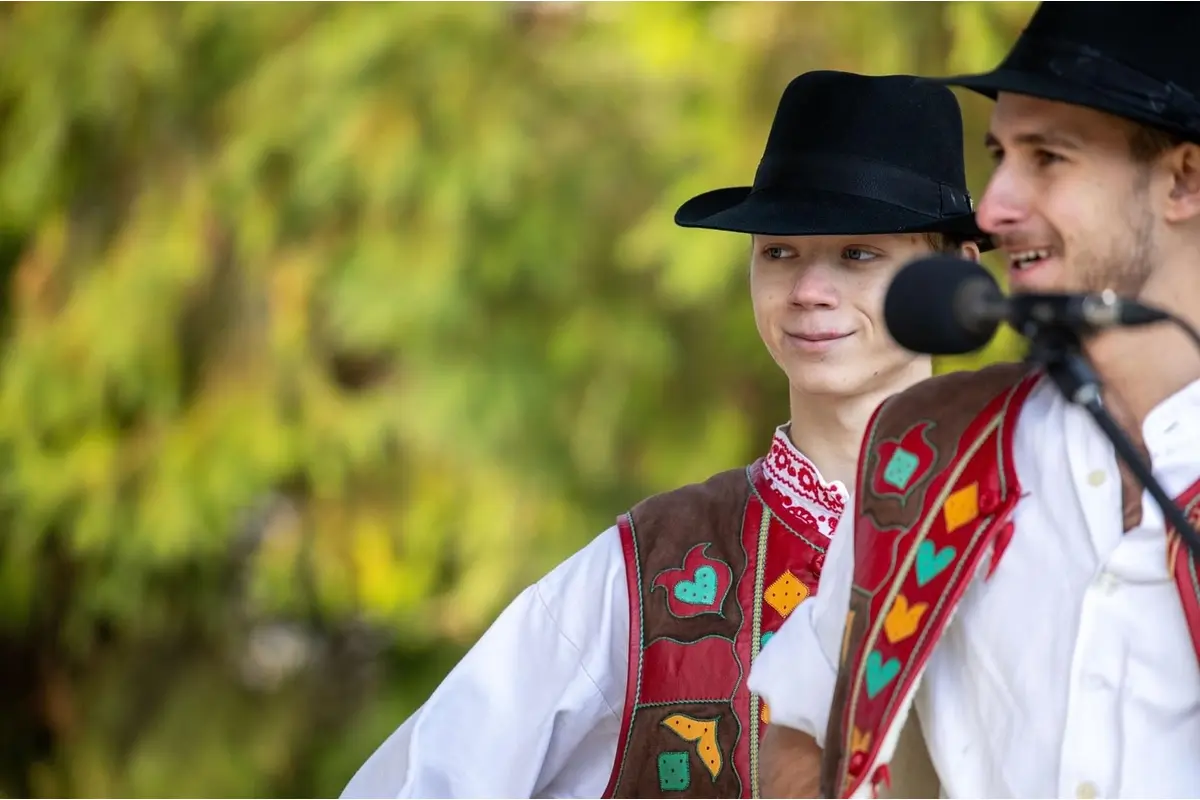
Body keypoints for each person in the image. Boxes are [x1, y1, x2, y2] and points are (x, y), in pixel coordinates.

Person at [340, 70, 988, 799]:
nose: (809, 291)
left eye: (858, 254)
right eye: (779, 252)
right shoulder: (654, 566)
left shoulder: (1023, 531)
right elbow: (427, 779)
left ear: (954, 273)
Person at [748, 4, 1200, 798]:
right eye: (1000, 156)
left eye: (1048, 158)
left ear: (1182, 179)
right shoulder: (931, 449)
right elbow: (802, 719)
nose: (993, 209)